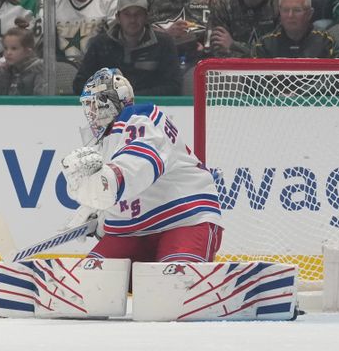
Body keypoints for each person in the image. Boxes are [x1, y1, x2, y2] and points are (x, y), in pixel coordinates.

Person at [61, 67, 222, 263]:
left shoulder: (141, 117)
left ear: (109, 102)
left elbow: (138, 168)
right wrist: (97, 211)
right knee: (92, 281)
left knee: (173, 285)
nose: (91, 112)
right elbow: (123, 192)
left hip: (185, 218)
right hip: (135, 230)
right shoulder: (104, 142)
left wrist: (105, 187)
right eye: (87, 106)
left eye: (93, 104)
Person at [73, 0, 181, 95]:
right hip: (109, 106)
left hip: (150, 107)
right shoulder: (100, 44)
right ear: (118, 18)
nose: (132, 20)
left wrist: (132, 97)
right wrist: (110, 96)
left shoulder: (164, 43)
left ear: (146, 17)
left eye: (138, 14)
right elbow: (80, 84)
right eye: (127, 14)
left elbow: (173, 86)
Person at [253, 0, 337, 57]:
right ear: (279, 12)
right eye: (285, 10)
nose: (290, 15)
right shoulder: (264, 45)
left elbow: (338, 75)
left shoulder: (326, 41)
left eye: (297, 10)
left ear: (309, 14)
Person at [0, 18, 45, 95]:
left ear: (28, 52)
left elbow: (41, 102)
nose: (8, 53)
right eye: (5, 48)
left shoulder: (40, 70)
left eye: (14, 48)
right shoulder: (3, 71)